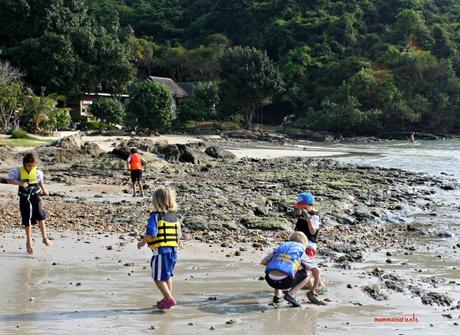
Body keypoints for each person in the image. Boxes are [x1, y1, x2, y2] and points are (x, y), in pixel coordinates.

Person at [137, 186, 180, 309]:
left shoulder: (156, 216)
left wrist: (142, 243)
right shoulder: (174, 216)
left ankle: (169, 299)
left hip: (161, 252)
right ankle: (166, 298)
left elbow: (151, 232)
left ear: (156, 201)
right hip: (173, 252)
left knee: (157, 277)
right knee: (167, 276)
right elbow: (178, 233)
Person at [6, 152, 51, 254]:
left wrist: (44, 190)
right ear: (24, 164)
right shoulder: (18, 171)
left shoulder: (38, 172)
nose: (30, 168)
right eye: (28, 166)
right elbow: (9, 180)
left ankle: (44, 237)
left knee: (40, 215)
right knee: (27, 219)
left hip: (36, 196)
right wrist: (20, 183)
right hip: (25, 198)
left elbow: (40, 182)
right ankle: (29, 241)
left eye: (32, 166)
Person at [261, 231, 320, 307]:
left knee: (277, 265)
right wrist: (313, 289)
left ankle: (277, 296)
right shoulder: (300, 250)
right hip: (285, 282)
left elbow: (263, 262)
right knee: (309, 272)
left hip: (270, 280)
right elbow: (316, 270)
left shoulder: (280, 247)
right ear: (303, 243)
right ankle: (291, 294)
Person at [293, 192, 327, 295]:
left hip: (309, 245)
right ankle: (308, 284)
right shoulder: (301, 214)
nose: (301, 209)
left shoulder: (315, 216)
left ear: (310, 205)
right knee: (302, 265)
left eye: (303, 207)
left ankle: (320, 285)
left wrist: (308, 221)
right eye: (300, 208)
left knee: (309, 266)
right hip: (300, 242)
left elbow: (313, 232)